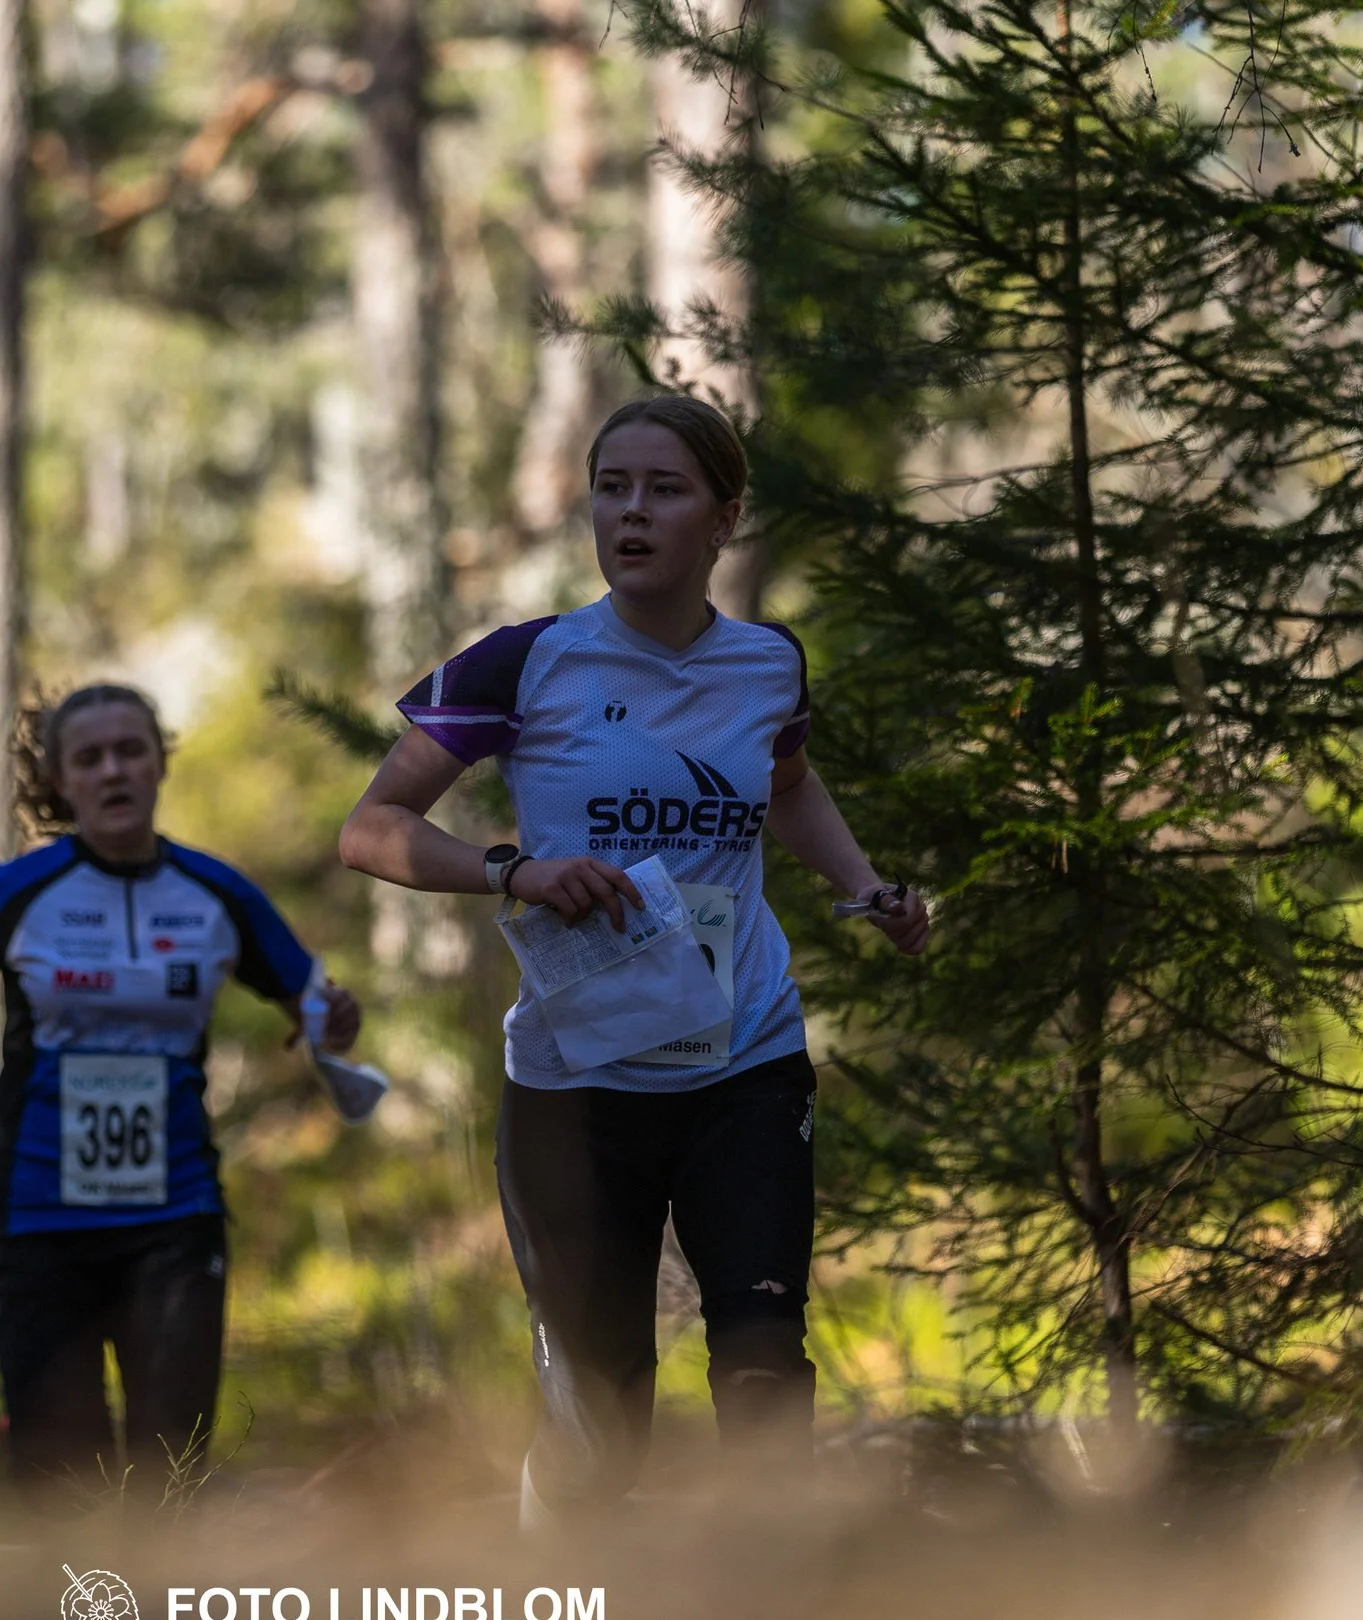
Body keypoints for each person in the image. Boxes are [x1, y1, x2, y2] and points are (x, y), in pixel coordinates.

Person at [338, 393, 931, 1524]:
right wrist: (511, 869)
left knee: (762, 1363)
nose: (632, 512)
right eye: (612, 487)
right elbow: (369, 827)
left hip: (743, 1059)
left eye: (664, 489)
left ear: (723, 515)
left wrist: (866, 889)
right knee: (602, 1425)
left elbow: (790, 789)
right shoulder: (524, 663)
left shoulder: (767, 664)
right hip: (577, 1085)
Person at [0, 683, 364, 1503]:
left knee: (169, 1479)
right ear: (61, 781)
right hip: (39, 1224)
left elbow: (318, 1010)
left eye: (131, 751)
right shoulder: (19, 893)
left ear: (160, 764)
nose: (114, 771)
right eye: (90, 757)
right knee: (59, 1484)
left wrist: (333, 1019)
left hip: (174, 1222)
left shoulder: (218, 895)